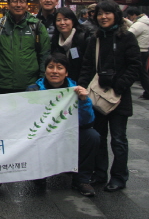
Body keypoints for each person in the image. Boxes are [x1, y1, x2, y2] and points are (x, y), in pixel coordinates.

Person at [78, 0, 142, 192]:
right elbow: (87, 66)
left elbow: (135, 66)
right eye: (99, 14)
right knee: (99, 138)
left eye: (107, 13)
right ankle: (100, 173)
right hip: (97, 98)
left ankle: (119, 177)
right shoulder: (94, 39)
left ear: (116, 15)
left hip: (119, 98)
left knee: (119, 139)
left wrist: (118, 85)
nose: (103, 17)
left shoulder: (127, 38)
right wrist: (82, 89)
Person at [26, 53, 100, 197]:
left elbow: (88, 121)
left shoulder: (76, 91)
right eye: (50, 67)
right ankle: (39, 173)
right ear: (45, 70)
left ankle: (82, 179)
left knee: (92, 136)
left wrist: (84, 100)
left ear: (66, 72)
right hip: (43, 136)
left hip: (69, 134)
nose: (54, 71)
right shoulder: (33, 90)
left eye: (59, 68)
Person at [0, 0, 50, 94]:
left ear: (27, 4)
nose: (18, 5)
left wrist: (42, 79)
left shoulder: (36, 26)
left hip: (31, 84)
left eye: (22, 1)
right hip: (4, 84)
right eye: (14, 1)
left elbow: (44, 54)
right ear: (8, 4)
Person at [50, 7, 90, 82]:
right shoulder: (55, 40)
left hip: (80, 82)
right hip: (62, 84)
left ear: (73, 21)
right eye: (58, 20)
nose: (62, 23)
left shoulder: (83, 38)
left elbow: (88, 65)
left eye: (66, 19)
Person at [124, 7, 149, 100]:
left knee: (140, 73)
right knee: (142, 73)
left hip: (139, 51)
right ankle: (148, 93)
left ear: (134, 15)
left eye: (129, 16)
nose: (129, 18)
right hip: (143, 51)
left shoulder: (140, 24)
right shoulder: (143, 22)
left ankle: (148, 93)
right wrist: (127, 21)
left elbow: (129, 33)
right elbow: (134, 26)